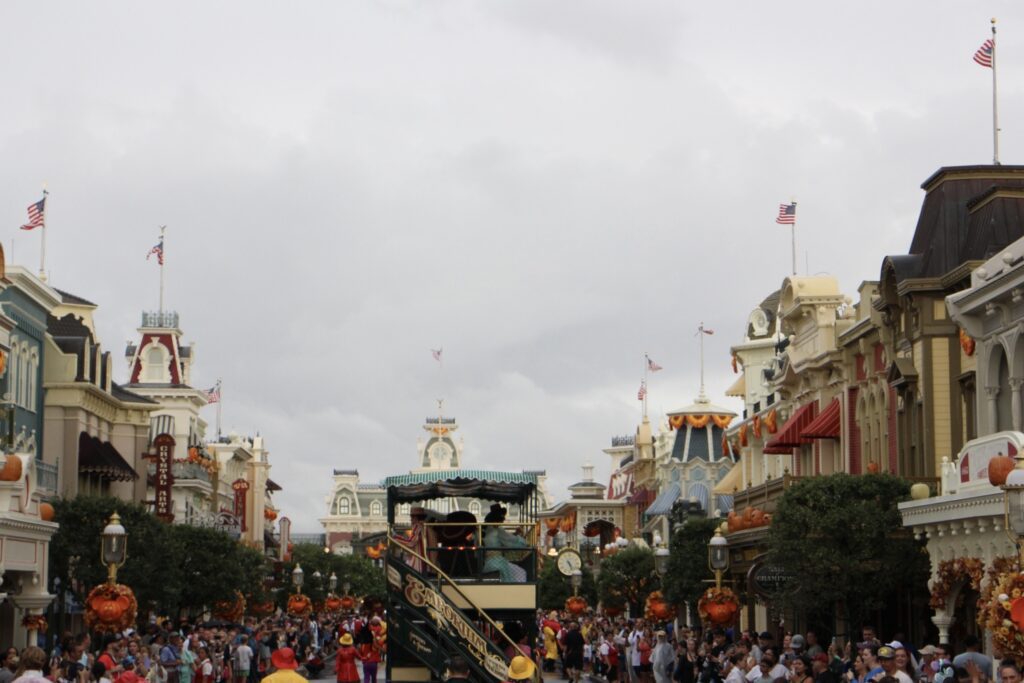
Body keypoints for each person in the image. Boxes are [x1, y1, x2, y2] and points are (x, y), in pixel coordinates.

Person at [482, 505, 529, 582]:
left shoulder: (486, 529)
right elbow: (510, 541)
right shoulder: (497, 529)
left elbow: (503, 540)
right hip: (498, 562)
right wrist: (525, 542)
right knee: (521, 572)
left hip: (487, 563)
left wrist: (515, 534)